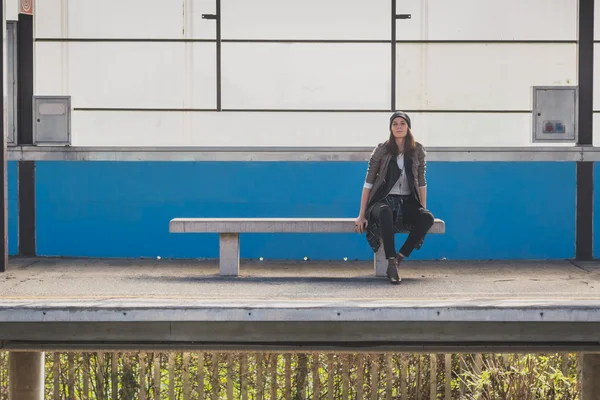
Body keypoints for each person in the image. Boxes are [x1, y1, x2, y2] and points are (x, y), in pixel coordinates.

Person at [354, 111, 435, 284]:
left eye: (402, 123)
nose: (399, 127)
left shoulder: (418, 150)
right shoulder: (382, 150)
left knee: (427, 217)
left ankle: (398, 259)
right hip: (382, 200)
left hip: (407, 201)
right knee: (384, 212)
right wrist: (361, 215)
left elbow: (421, 182)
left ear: (408, 127)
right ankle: (391, 260)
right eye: (395, 124)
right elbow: (368, 183)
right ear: (390, 128)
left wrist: (422, 207)